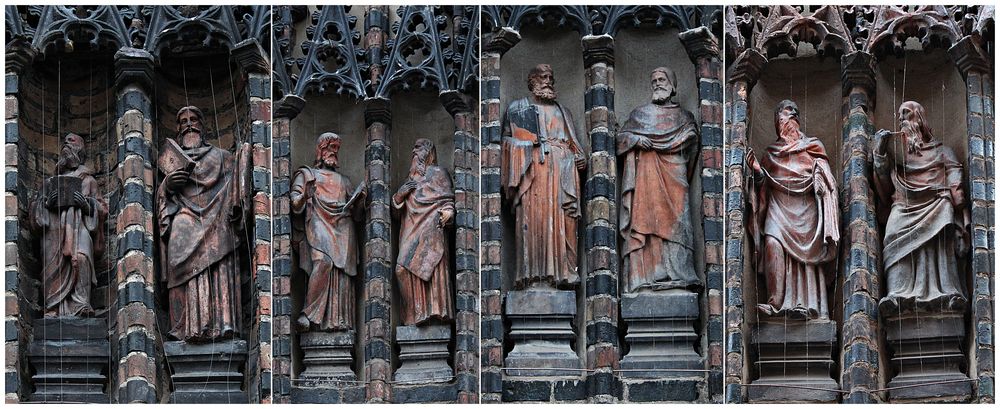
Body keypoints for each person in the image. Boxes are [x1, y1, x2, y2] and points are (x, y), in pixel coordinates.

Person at [158, 106, 250, 341]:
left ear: (202, 125)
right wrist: (167, 186)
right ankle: (183, 326)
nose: (189, 124)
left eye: (193, 119)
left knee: (221, 245)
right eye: (183, 121)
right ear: (178, 130)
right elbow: (161, 198)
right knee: (176, 251)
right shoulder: (172, 162)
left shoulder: (222, 157)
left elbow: (236, 191)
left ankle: (220, 323)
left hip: (217, 217)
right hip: (185, 215)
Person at [874, 101, 969, 315]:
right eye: (899, 115)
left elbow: (954, 174)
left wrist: (958, 198)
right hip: (903, 205)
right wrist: (880, 154)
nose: (901, 119)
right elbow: (885, 186)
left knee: (944, 216)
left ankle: (947, 291)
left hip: (936, 203)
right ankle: (898, 293)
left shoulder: (942, 151)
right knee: (893, 233)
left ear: (919, 117)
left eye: (906, 113)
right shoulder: (898, 156)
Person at [746, 100, 839, 320]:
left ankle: (808, 306)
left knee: (806, 257)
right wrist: (759, 173)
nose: (786, 120)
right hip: (778, 208)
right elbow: (763, 188)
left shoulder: (813, 146)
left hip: (806, 211)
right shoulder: (770, 154)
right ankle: (775, 302)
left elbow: (826, 178)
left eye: (790, 115)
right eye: (782, 117)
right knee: (771, 243)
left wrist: (819, 174)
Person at [501, 64, 587, 289]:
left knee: (564, 223)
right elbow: (504, 145)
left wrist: (579, 158)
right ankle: (532, 277)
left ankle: (564, 273)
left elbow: (574, 145)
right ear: (532, 82)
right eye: (543, 77)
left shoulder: (563, 111)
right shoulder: (518, 108)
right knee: (533, 223)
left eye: (551, 77)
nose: (548, 81)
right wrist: (527, 147)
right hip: (533, 174)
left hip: (562, 172)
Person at [618, 67, 700, 293]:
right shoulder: (639, 114)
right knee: (647, 221)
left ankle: (679, 274)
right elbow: (621, 139)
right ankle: (647, 275)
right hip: (647, 177)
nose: (657, 83)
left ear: (673, 86)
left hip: (674, 177)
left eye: (662, 79)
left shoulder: (684, 117)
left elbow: (692, 143)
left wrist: (678, 143)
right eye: (653, 80)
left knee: (678, 224)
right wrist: (635, 140)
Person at [32, 133, 108, 317]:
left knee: (81, 258)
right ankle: (53, 307)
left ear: (80, 149)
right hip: (54, 231)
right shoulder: (49, 183)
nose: (66, 143)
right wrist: (47, 203)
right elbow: (35, 208)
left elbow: (102, 208)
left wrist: (85, 203)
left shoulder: (88, 180)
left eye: (71, 141)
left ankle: (81, 304)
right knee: (52, 265)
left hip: (79, 226)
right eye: (64, 142)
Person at [393, 139, 455, 325]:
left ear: (428, 152)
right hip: (410, 230)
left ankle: (432, 311)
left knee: (432, 268)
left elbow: (447, 199)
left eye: (418, 148)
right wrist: (400, 194)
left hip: (431, 230)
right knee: (401, 270)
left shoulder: (438, 173)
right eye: (414, 147)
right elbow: (396, 213)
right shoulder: (409, 182)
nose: (414, 151)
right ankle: (414, 314)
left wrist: (449, 212)